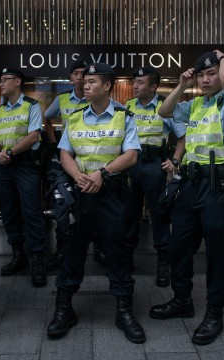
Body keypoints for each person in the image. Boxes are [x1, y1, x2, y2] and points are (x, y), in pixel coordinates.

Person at [149, 50, 224, 346]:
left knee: (216, 250)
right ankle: (182, 300)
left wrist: (223, 54)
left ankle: (214, 312)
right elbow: (163, 112)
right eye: (201, 75)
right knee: (178, 245)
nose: (206, 79)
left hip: (218, 185)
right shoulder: (194, 105)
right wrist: (180, 85)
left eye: (211, 73)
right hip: (190, 186)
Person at [46, 63, 145, 344]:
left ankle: (124, 311)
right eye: (84, 81)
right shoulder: (75, 116)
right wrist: (79, 176)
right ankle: (64, 310)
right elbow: (64, 152)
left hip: (111, 195)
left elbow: (131, 155)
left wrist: (101, 174)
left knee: (117, 251)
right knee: (72, 250)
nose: (84, 85)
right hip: (79, 195)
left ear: (107, 86)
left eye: (91, 81)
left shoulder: (124, 116)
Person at [124, 66, 185, 287]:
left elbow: (182, 138)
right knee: (129, 214)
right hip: (131, 165)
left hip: (154, 166)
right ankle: (126, 260)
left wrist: (175, 161)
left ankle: (163, 263)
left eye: (140, 82)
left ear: (153, 86)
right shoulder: (128, 106)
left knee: (159, 215)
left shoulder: (165, 107)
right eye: (135, 81)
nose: (135, 85)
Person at [0, 68, 48, 287]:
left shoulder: (32, 106)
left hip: (25, 164)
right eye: (1, 79)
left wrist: (10, 153)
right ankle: (18, 256)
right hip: (4, 165)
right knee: (9, 212)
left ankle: (38, 261)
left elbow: (34, 134)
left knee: (32, 212)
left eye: (5, 80)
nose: (1, 84)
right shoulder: (1, 109)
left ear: (17, 82)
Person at [42, 58, 91, 270]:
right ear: (71, 78)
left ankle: (98, 250)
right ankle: (62, 251)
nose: (80, 77)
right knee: (62, 206)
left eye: (84, 73)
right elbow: (47, 118)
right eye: (76, 73)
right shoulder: (63, 100)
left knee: (91, 208)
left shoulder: (96, 98)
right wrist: (54, 142)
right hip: (65, 158)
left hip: (88, 158)